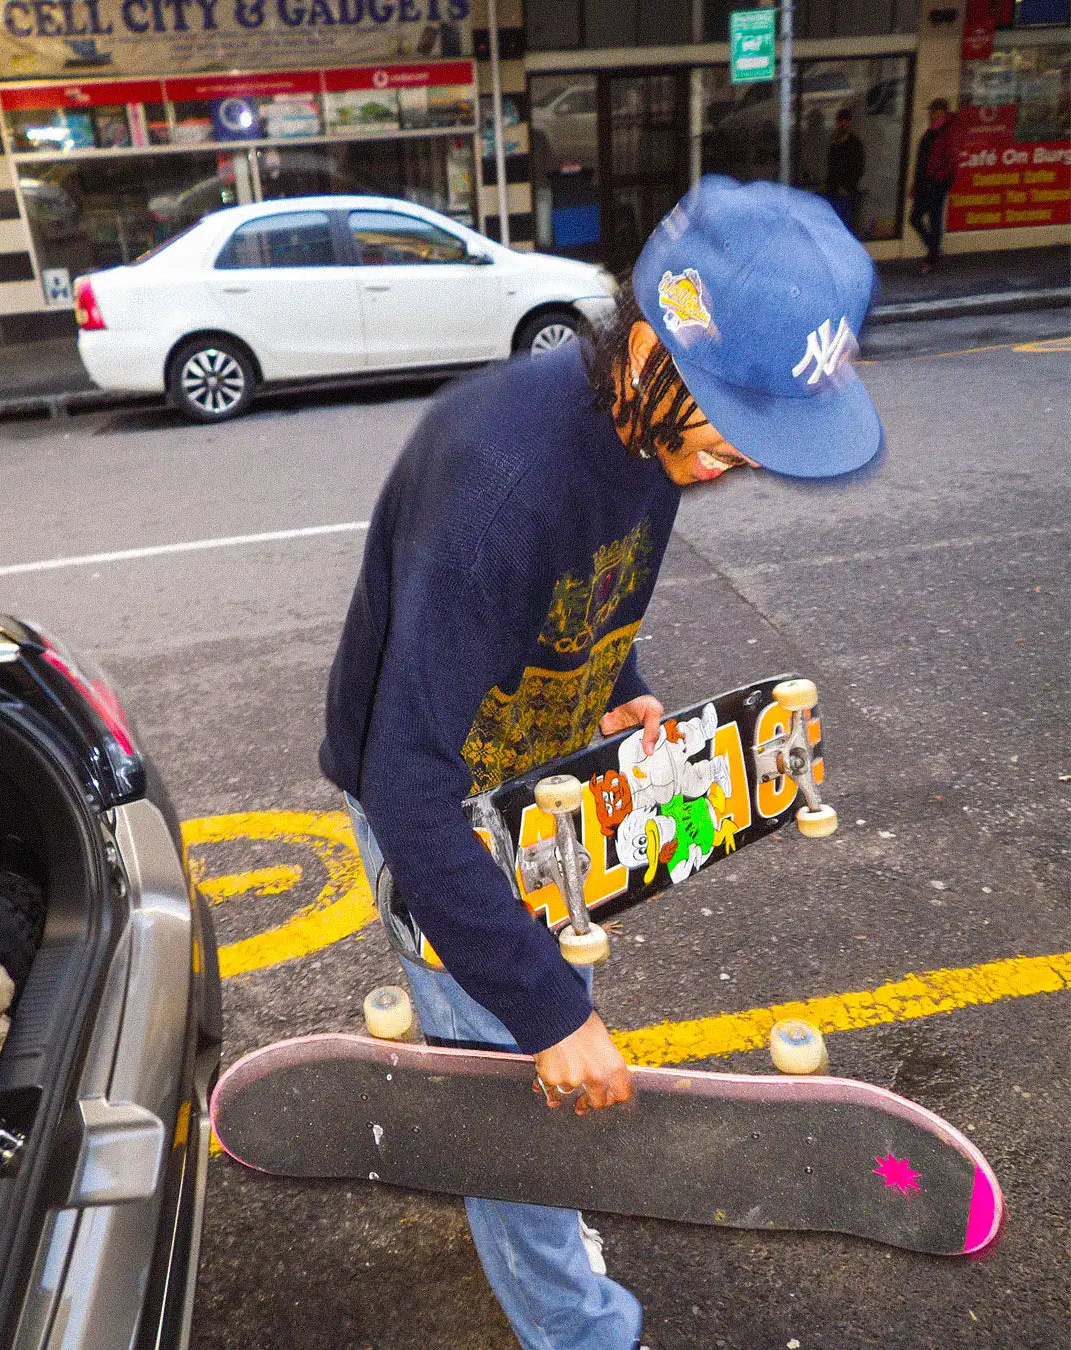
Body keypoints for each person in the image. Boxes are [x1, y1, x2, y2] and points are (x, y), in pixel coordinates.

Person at [320, 175, 884, 1350]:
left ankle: (520, 1116)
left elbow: (593, 591)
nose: (744, 454)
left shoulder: (655, 439)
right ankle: (582, 1331)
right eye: (734, 413)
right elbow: (404, 785)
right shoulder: (504, 484)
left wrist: (616, 688)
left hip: (534, 772)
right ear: (644, 346)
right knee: (527, 1091)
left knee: (536, 1028)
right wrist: (543, 1015)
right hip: (436, 801)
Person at [909, 98, 959, 274]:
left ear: (942, 112)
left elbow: (952, 161)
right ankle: (935, 250)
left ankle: (931, 259)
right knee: (915, 218)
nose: (931, 114)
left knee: (934, 220)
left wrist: (936, 178)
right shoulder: (932, 131)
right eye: (931, 111)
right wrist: (917, 182)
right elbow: (923, 160)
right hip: (926, 183)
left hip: (937, 184)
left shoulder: (947, 131)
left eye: (934, 111)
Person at [825, 106, 866, 233]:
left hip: (845, 191)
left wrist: (847, 187)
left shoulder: (853, 143)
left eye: (845, 121)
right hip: (835, 189)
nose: (843, 124)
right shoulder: (834, 142)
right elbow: (832, 166)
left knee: (844, 222)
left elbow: (857, 167)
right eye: (841, 121)